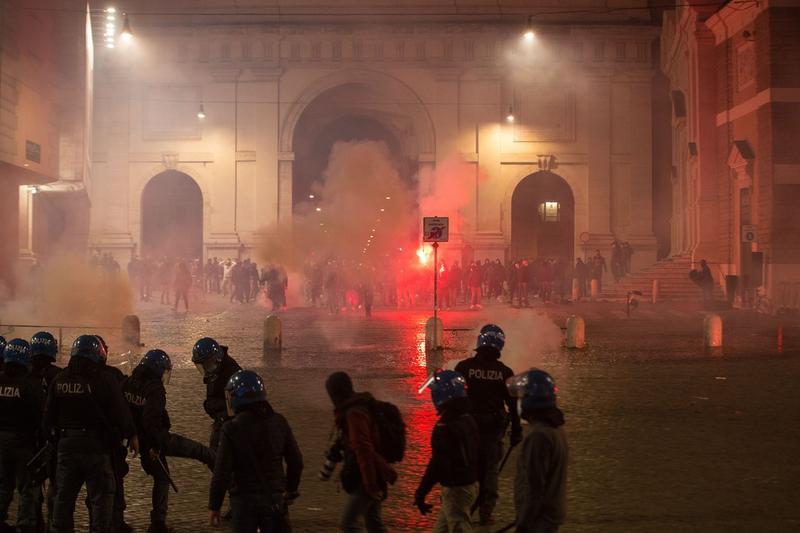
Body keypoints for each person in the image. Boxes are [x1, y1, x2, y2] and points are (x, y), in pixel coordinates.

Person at [44, 335, 137, 533]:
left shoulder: (60, 380)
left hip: (66, 448)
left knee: (64, 498)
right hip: (97, 449)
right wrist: (132, 434)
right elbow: (121, 412)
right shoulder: (106, 380)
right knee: (101, 500)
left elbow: (48, 417)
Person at [122, 349, 214, 533]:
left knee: (162, 477)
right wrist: (156, 445)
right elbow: (151, 421)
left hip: (140, 439)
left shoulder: (129, 383)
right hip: (156, 441)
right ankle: (233, 484)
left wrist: (134, 436)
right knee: (201, 452)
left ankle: (158, 522)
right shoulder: (155, 389)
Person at [209, 370, 303, 532]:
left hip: (243, 500)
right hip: (273, 497)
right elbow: (296, 461)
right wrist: (290, 489)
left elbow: (222, 471)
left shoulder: (231, 428)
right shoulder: (279, 422)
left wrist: (214, 506)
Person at [454, 325, 522, 526]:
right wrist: (516, 431)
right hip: (492, 432)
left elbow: (454, 400)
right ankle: (485, 513)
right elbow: (514, 405)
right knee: (490, 472)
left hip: (467, 429)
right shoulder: (505, 372)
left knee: (465, 469)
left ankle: (460, 511)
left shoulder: (463, 368)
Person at [324, 371, 397, 532]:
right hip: (374, 472)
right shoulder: (362, 405)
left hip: (365, 475)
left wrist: (370, 484)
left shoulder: (353, 413)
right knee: (374, 523)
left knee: (348, 524)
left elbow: (363, 449)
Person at [415, 370, 479, 533]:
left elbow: (437, 463)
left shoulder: (444, 427)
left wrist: (422, 492)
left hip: (456, 488)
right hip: (470, 483)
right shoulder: (468, 418)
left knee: (460, 527)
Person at [506, 369, 568, 532]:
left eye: (522, 397)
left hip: (538, 520)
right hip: (548, 515)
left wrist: (523, 524)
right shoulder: (556, 429)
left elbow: (535, 487)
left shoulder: (539, 436)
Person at [0, 339, 43, 533]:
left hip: (1, 440)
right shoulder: (31, 385)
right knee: (27, 487)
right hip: (24, 442)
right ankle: (26, 525)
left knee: (2, 484)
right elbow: (40, 415)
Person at [29, 332, 63, 526]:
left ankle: (33, 519)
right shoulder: (59, 376)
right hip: (54, 438)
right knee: (56, 483)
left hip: (30, 437)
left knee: (32, 482)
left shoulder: (23, 374)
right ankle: (54, 520)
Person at [191, 338, 241, 454]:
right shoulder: (214, 371)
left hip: (229, 427)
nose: (204, 369)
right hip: (222, 423)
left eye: (205, 364)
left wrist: (212, 406)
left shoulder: (231, 373)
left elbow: (233, 408)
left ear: (215, 359)